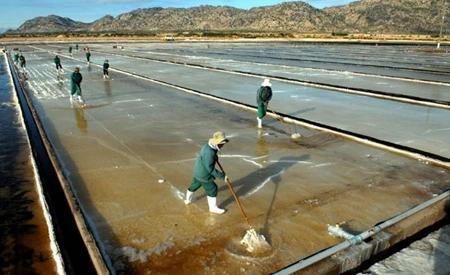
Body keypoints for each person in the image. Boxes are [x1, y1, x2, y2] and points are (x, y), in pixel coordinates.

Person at [184, 132, 229, 214]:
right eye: (221, 144)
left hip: (198, 170)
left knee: (195, 184)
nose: (222, 146)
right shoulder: (210, 153)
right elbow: (210, 169)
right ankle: (213, 208)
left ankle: (187, 200)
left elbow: (208, 159)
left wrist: (215, 157)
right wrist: (223, 176)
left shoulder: (208, 145)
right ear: (216, 143)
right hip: (204, 174)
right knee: (212, 189)